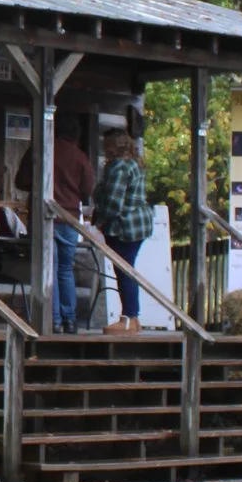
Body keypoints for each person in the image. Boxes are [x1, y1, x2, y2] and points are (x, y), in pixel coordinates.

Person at [93, 129, 157, 334]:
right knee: (126, 269)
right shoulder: (135, 164)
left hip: (124, 227)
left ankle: (129, 318)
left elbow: (113, 203)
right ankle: (133, 318)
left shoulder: (119, 168)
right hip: (139, 223)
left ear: (112, 145)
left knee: (124, 271)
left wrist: (99, 222)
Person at [51, 117, 96, 334]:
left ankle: (54, 320)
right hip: (69, 217)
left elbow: (21, 181)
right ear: (76, 135)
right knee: (65, 269)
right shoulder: (80, 156)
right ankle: (69, 319)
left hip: (46, 216)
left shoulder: (43, 149)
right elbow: (88, 188)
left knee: (49, 268)